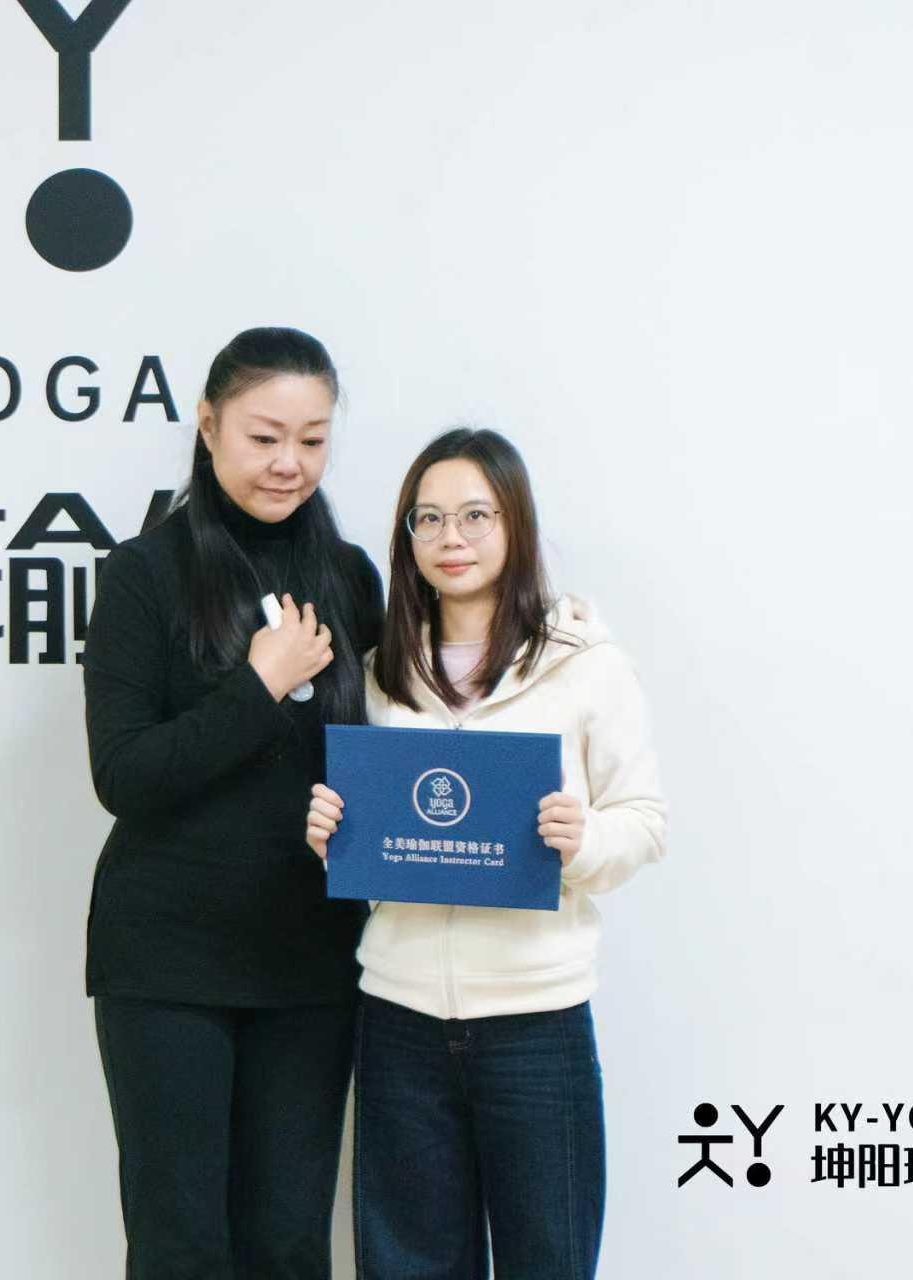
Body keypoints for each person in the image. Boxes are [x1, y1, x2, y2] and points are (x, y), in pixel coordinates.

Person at [305, 428, 667, 1280]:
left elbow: (645, 820)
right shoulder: (380, 674)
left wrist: (584, 839)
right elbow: (376, 837)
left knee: (549, 1261)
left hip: (536, 1023)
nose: (451, 538)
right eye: (427, 519)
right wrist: (332, 836)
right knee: (407, 1266)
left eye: (476, 515)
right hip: (398, 1020)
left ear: (515, 525)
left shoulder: (585, 664)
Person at [82, 327, 384, 1278]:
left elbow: (402, 742)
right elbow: (123, 774)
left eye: (312, 439)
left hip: (309, 957)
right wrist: (258, 687)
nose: (289, 463)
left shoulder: (351, 578)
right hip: (167, 960)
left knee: (290, 1244)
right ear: (208, 426)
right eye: (264, 437)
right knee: (180, 1245)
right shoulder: (141, 575)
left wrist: (548, 640)